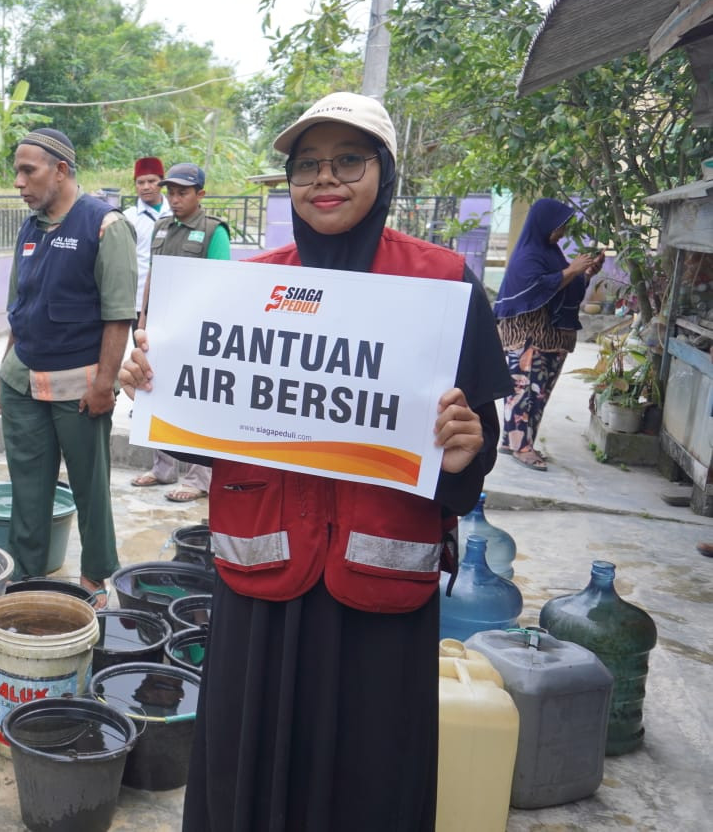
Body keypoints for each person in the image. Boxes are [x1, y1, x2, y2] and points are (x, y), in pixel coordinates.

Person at [119, 92, 512, 830]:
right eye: (307, 165)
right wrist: (158, 391)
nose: (325, 178)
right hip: (262, 586)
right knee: (249, 774)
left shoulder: (442, 284)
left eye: (348, 161)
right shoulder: (247, 289)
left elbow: (472, 459)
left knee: (368, 783)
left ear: (384, 172)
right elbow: (202, 439)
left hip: (379, 599)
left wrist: (466, 451)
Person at [0, 127, 137, 608]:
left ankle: (95, 577)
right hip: (23, 380)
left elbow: (118, 315)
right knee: (28, 487)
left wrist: (104, 384)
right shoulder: (30, 229)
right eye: (16, 171)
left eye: (27, 171)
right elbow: (19, 307)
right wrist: (4, 371)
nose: (18, 182)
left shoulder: (105, 226)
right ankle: (26, 575)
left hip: (80, 387)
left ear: (60, 170)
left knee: (89, 488)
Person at [130, 162, 232, 503]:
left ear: (200, 194)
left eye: (183, 193)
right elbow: (152, 276)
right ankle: (162, 468)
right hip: (160, 329)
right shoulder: (161, 227)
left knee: (195, 402)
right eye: (171, 192)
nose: (175, 199)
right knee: (155, 392)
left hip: (197, 331)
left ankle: (198, 478)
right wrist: (143, 321)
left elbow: (221, 285)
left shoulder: (214, 231)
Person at [493, 197, 603, 470]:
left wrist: (585, 274)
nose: (562, 232)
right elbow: (535, 289)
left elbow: (563, 285)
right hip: (527, 337)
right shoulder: (527, 256)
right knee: (524, 391)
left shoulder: (551, 253)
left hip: (550, 338)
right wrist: (571, 270)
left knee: (538, 393)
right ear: (544, 224)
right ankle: (522, 448)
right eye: (559, 226)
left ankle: (512, 441)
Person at [130, 156, 171, 322]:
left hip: (172, 296)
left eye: (152, 181)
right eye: (140, 182)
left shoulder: (176, 212)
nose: (146, 187)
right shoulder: (128, 218)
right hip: (139, 299)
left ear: (162, 182)